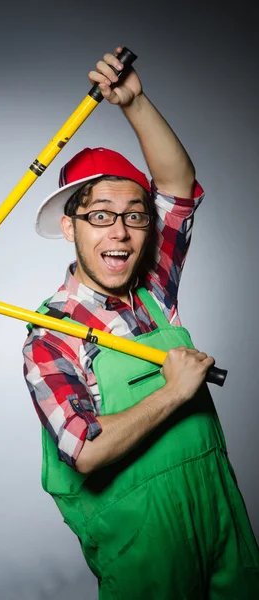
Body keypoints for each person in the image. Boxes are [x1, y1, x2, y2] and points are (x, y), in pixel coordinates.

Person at [22, 47, 259, 599]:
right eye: (100, 216)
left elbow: (177, 188)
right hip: (144, 547)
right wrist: (175, 393)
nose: (120, 233)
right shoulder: (49, 334)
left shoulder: (154, 290)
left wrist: (134, 102)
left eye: (134, 216)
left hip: (220, 516)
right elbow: (85, 449)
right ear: (69, 227)